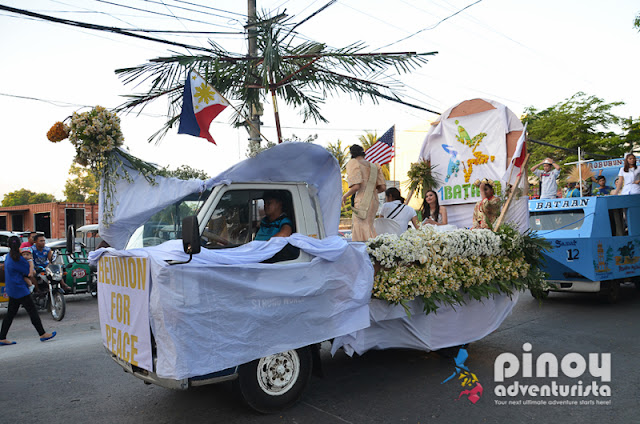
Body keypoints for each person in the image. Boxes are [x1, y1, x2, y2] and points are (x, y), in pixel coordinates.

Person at [1, 236, 56, 346]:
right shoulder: (20, 260)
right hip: (20, 289)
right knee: (32, 311)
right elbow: (30, 273)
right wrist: (31, 263)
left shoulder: (8, 257)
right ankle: (42, 333)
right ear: (20, 245)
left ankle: (2, 337)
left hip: (12, 288)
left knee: (10, 315)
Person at [342, 145, 386, 241]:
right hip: (374, 200)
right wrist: (371, 191)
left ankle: (363, 251)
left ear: (352, 154)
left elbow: (356, 186)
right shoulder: (375, 166)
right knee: (369, 226)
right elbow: (382, 187)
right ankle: (373, 247)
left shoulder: (353, 163)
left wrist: (345, 195)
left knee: (360, 226)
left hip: (362, 200)